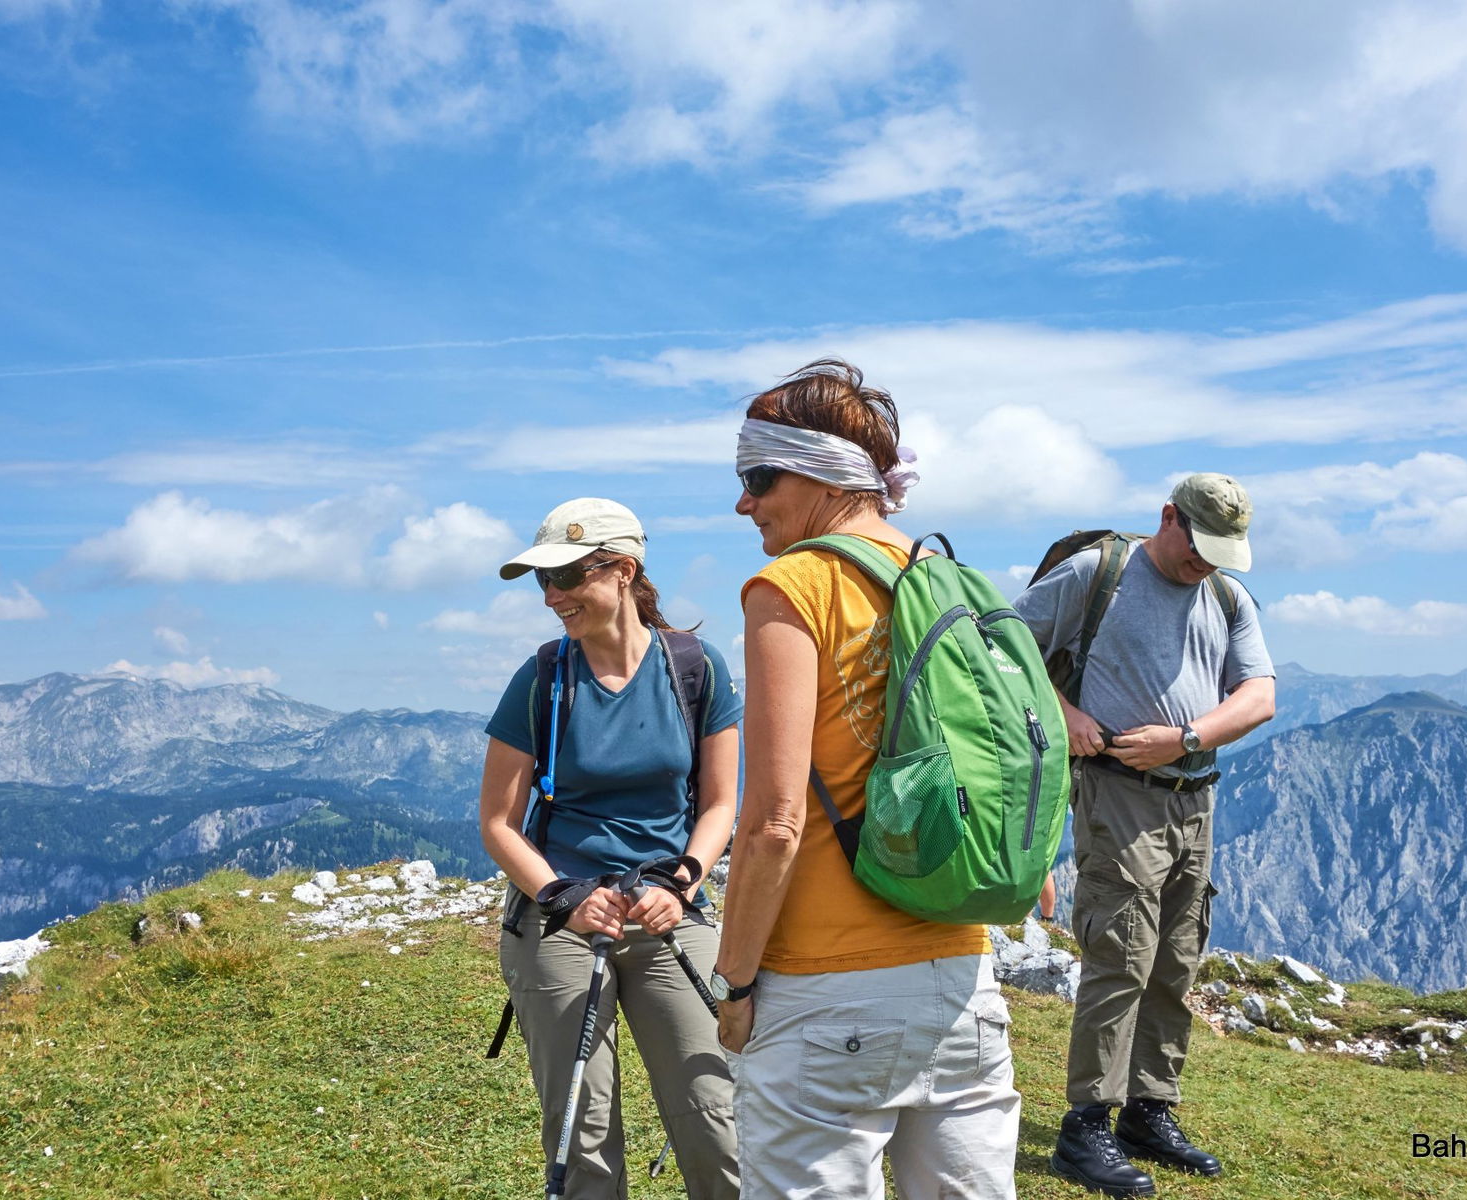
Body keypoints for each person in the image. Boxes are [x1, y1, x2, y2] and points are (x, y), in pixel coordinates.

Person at [712, 360, 1021, 1199]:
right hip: (964, 979)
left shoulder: (793, 586)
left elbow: (774, 819)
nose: (745, 502)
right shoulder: (951, 579)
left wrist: (734, 982)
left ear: (818, 472)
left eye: (757, 476)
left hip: (824, 993)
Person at [1014, 474, 1275, 1198]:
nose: (1207, 564)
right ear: (1168, 517)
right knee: (1122, 952)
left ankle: (1150, 1110)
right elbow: (1000, 647)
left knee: (1177, 956)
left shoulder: (1226, 595)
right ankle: (1087, 1126)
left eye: (1221, 553)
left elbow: (1261, 696)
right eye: (1199, 547)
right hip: (1118, 791)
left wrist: (1185, 737)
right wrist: (1061, 711)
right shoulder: (1096, 573)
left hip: (1195, 795)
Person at [479, 497, 742, 1200]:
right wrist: (562, 896)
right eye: (542, 583)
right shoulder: (541, 680)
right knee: (582, 1129)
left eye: (566, 577)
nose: (552, 597)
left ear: (623, 570)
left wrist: (682, 885)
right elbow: (499, 823)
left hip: (668, 912)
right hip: (560, 916)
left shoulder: (694, 669)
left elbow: (720, 804)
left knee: (715, 1113)